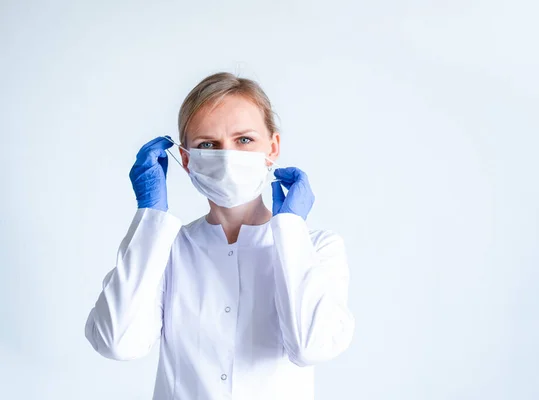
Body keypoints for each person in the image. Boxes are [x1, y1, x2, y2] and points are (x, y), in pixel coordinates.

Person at [84, 72, 355, 400]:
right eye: (208, 145)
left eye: (244, 140)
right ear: (186, 159)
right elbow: (116, 341)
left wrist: (290, 231)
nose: (228, 156)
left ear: (273, 148)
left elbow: (312, 346)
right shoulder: (166, 250)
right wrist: (149, 218)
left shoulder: (316, 248)